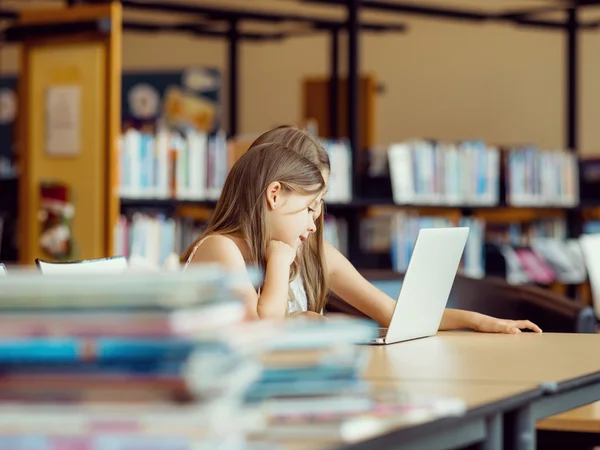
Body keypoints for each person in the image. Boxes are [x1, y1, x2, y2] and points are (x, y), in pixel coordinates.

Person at [183, 126, 542, 334]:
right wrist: (281, 269)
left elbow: (394, 314)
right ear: (274, 193)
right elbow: (257, 336)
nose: (315, 220)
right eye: (309, 205)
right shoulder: (221, 249)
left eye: (320, 205)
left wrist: (480, 322)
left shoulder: (309, 251)